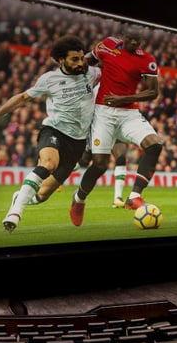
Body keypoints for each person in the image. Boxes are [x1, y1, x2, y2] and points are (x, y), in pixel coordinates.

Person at [0, 35, 101, 232]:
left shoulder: (91, 73)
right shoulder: (49, 79)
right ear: (61, 60)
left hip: (77, 142)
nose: (80, 63)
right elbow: (22, 97)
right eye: (75, 59)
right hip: (54, 131)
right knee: (48, 163)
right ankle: (15, 211)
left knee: (42, 195)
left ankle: (20, 197)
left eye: (81, 58)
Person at [69, 26, 162, 226]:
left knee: (154, 144)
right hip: (103, 113)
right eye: (131, 39)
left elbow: (153, 92)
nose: (134, 43)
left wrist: (123, 99)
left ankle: (134, 196)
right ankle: (79, 199)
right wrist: (76, 76)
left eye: (138, 40)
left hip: (129, 113)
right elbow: (88, 60)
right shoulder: (107, 45)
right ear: (124, 37)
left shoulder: (147, 60)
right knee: (100, 165)